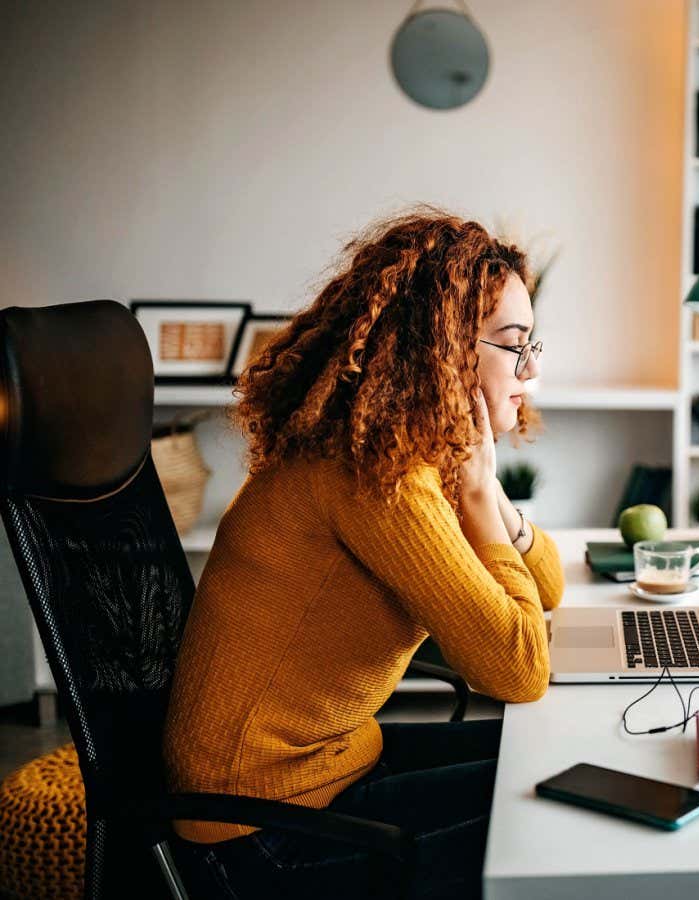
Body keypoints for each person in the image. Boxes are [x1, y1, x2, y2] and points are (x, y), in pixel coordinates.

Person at [163, 208, 562, 899]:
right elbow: (520, 667)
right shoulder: (373, 477)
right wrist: (476, 497)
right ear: (443, 348)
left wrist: (485, 487)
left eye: (533, 345)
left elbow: (546, 587)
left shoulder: (407, 455)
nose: (530, 369)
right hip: (256, 835)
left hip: (329, 771)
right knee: (555, 835)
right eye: (513, 345)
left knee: (553, 769)